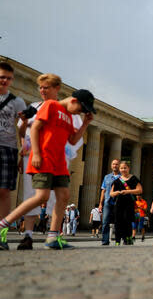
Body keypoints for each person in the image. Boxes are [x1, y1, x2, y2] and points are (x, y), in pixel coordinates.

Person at [0, 89, 94, 250]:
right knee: (41, 196)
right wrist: (35, 153)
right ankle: (2, 225)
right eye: (81, 109)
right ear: (73, 101)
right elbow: (35, 128)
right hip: (44, 158)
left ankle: (52, 237)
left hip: (59, 162)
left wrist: (85, 123)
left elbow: (72, 140)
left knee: (64, 195)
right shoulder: (51, 105)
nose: (81, 113)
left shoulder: (70, 117)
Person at [17, 73, 68, 249]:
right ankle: (28, 235)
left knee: (54, 197)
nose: (42, 90)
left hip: (55, 158)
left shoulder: (62, 109)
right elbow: (23, 133)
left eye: (46, 87)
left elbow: (69, 137)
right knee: (32, 195)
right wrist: (23, 124)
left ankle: (54, 235)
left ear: (56, 88)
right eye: (41, 87)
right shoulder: (33, 107)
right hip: (32, 156)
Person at [0, 62, 28, 223]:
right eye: (2, 77)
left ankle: (1, 233)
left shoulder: (18, 102)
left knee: (4, 191)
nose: (4, 81)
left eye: (8, 78)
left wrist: (23, 153)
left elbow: (22, 131)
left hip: (8, 148)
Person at [110, 161, 142, 245]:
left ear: (128, 168)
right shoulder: (117, 181)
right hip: (119, 204)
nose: (123, 170)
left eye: (125, 168)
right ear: (119, 169)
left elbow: (140, 190)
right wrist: (117, 193)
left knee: (127, 220)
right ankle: (117, 240)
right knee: (118, 222)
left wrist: (128, 191)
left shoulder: (133, 178)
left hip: (129, 203)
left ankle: (128, 238)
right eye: (121, 168)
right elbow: (111, 193)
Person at [99, 159, 121, 245]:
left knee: (119, 222)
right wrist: (101, 203)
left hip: (119, 203)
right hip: (107, 202)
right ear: (111, 166)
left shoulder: (122, 177)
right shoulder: (106, 177)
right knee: (105, 222)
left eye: (116, 164)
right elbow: (103, 191)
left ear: (119, 166)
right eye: (113, 164)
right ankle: (105, 240)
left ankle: (118, 240)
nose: (115, 166)